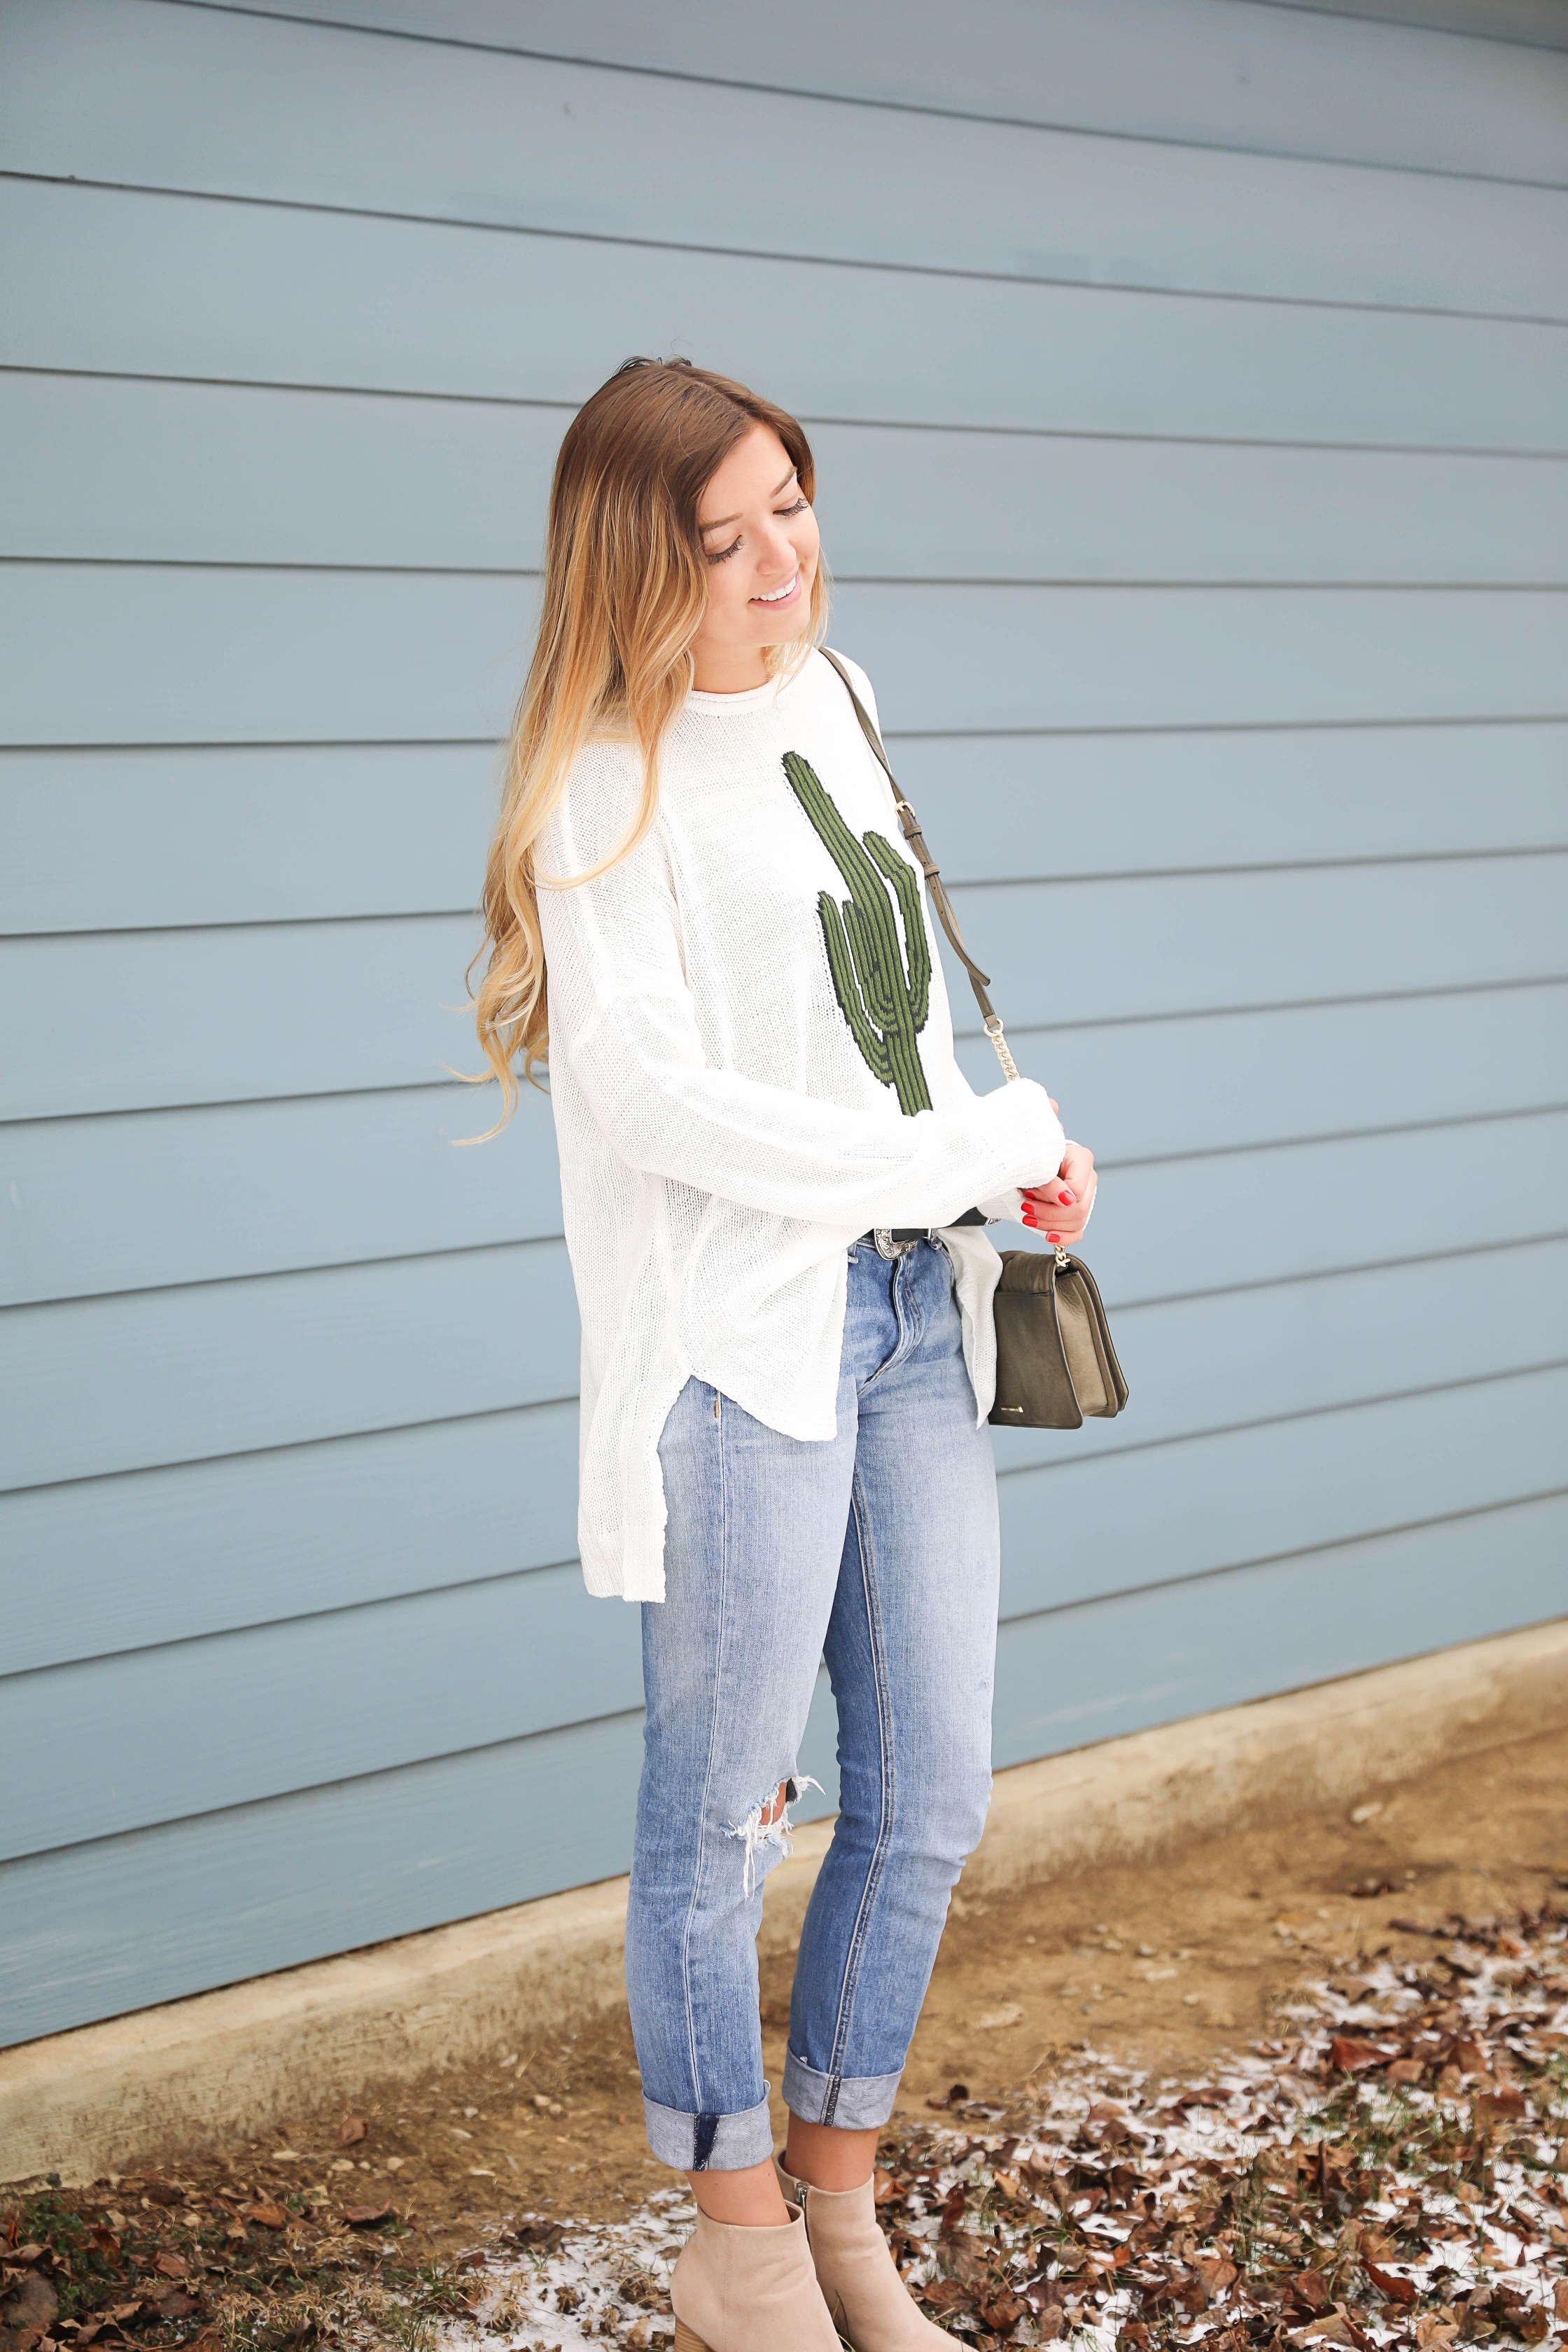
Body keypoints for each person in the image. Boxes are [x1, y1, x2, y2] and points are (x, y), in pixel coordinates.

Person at [472, 359, 1096, 2352]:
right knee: (721, 1806)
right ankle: (731, 2230)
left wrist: (1006, 1158)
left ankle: (839, 2209)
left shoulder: (841, 699)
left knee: (929, 1797)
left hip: (912, 1301)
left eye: (791, 507)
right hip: (746, 1338)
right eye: (722, 538)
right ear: (634, 563)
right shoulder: (601, 777)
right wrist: (944, 1147)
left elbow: (881, 1022)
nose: (777, 563)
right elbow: (658, 1104)